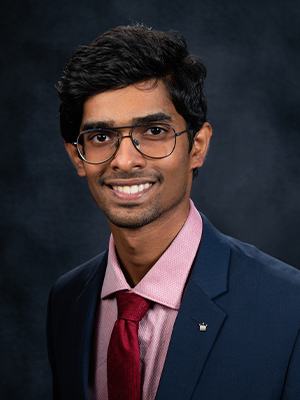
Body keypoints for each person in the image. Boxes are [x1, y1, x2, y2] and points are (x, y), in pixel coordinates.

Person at [47, 24, 300, 400]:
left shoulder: (288, 308)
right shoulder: (67, 301)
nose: (125, 160)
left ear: (197, 146)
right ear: (77, 157)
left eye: (153, 131)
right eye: (101, 137)